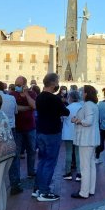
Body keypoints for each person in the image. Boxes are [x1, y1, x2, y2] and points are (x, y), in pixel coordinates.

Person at [33, 73, 70, 202]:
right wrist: (62, 103)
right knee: (50, 162)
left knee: (42, 161)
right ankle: (44, 191)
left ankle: (37, 189)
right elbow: (66, 112)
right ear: (54, 83)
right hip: (52, 133)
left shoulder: (39, 97)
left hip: (41, 132)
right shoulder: (54, 99)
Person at [0, 80, 21, 195]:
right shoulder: (11, 98)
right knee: (12, 157)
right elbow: (16, 112)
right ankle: (15, 184)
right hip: (9, 129)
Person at [71, 85, 100, 199]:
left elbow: (88, 121)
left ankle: (84, 192)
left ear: (87, 93)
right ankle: (90, 189)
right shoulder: (93, 105)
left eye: (82, 92)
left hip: (86, 140)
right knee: (91, 165)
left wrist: (77, 120)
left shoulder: (87, 105)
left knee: (85, 167)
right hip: (92, 139)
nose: (81, 93)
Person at [10, 76, 37, 181]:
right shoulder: (12, 95)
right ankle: (16, 176)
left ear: (25, 85)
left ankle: (31, 171)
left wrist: (26, 94)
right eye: (16, 84)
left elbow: (34, 106)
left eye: (19, 85)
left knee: (32, 150)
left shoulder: (32, 94)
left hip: (30, 127)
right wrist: (27, 107)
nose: (17, 86)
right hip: (17, 128)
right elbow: (15, 108)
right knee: (16, 153)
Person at [62, 91, 82, 181]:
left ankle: (68, 172)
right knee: (78, 154)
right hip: (78, 133)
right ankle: (79, 173)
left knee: (69, 153)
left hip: (68, 134)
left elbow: (62, 119)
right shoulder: (81, 107)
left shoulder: (67, 108)